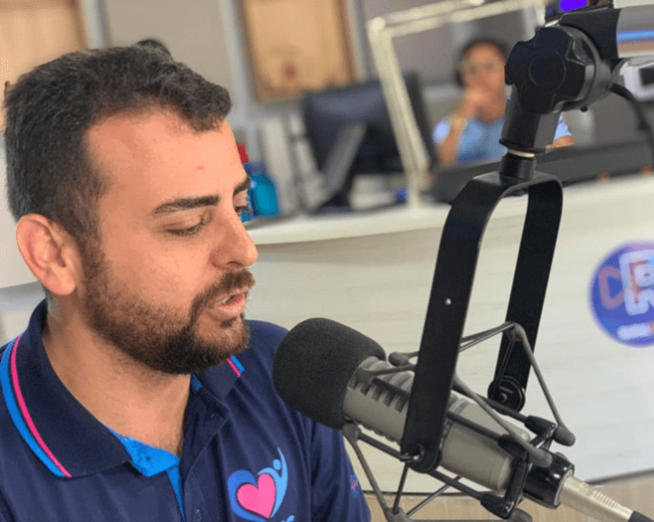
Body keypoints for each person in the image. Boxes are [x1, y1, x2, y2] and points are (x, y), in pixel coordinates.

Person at [1, 43, 371, 522]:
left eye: (239, 208)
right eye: (188, 225)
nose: (244, 251)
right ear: (53, 254)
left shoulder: (280, 375)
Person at [433, 37, 576, 167]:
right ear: (462, 77)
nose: (481, 76)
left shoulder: (534, 113)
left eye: (489, 67)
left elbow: (570, 156)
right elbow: (436, 173)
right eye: (472, 69)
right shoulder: (448, 126)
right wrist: (460, 118)